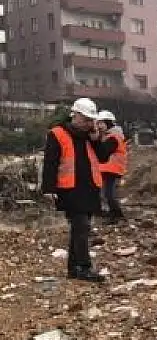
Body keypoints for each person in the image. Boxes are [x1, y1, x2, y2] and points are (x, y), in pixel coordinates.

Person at [41, 98, 114, 283]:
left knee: (79, 228)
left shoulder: (90, 136)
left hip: (89, 188)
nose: (90, 123)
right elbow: (50, 162)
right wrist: (49, 188)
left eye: (92, 120)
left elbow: (104, 157)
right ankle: (84, 267)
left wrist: (97, 140)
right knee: (81, 227)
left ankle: (74, 268)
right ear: (76, 115)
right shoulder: (58, 134)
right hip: (69, 189)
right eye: (87, 119)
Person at [97, 110, 127, 224]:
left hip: (112, 169)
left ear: (108, 123)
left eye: (101, 123)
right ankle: (109, 212)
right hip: (107, 168)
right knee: (104, 193)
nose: (98, 126)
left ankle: (117, 215)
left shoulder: (114, 137)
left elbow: (103, 153)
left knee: (109, 194)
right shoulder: (107, 136)